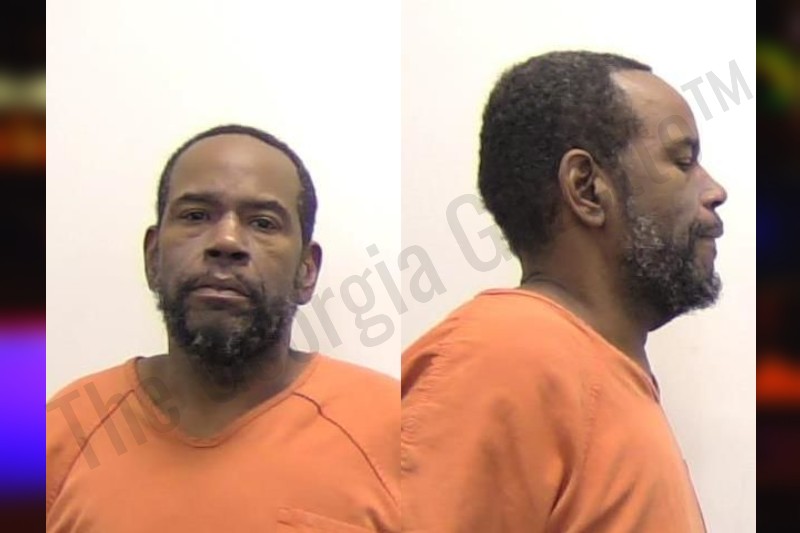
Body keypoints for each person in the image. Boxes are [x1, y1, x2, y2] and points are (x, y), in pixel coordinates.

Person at [401, 51, 727, 532]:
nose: (715, 190)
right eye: (683, 161)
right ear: (587, 189)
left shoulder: (594, 369)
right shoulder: (502, 358)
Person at [46, 125, 399, 532]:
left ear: (306, 270)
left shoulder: (392, 432)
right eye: (196, 216)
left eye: (263, 223)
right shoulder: (60, 434)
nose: (227, 241)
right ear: (153, 257)